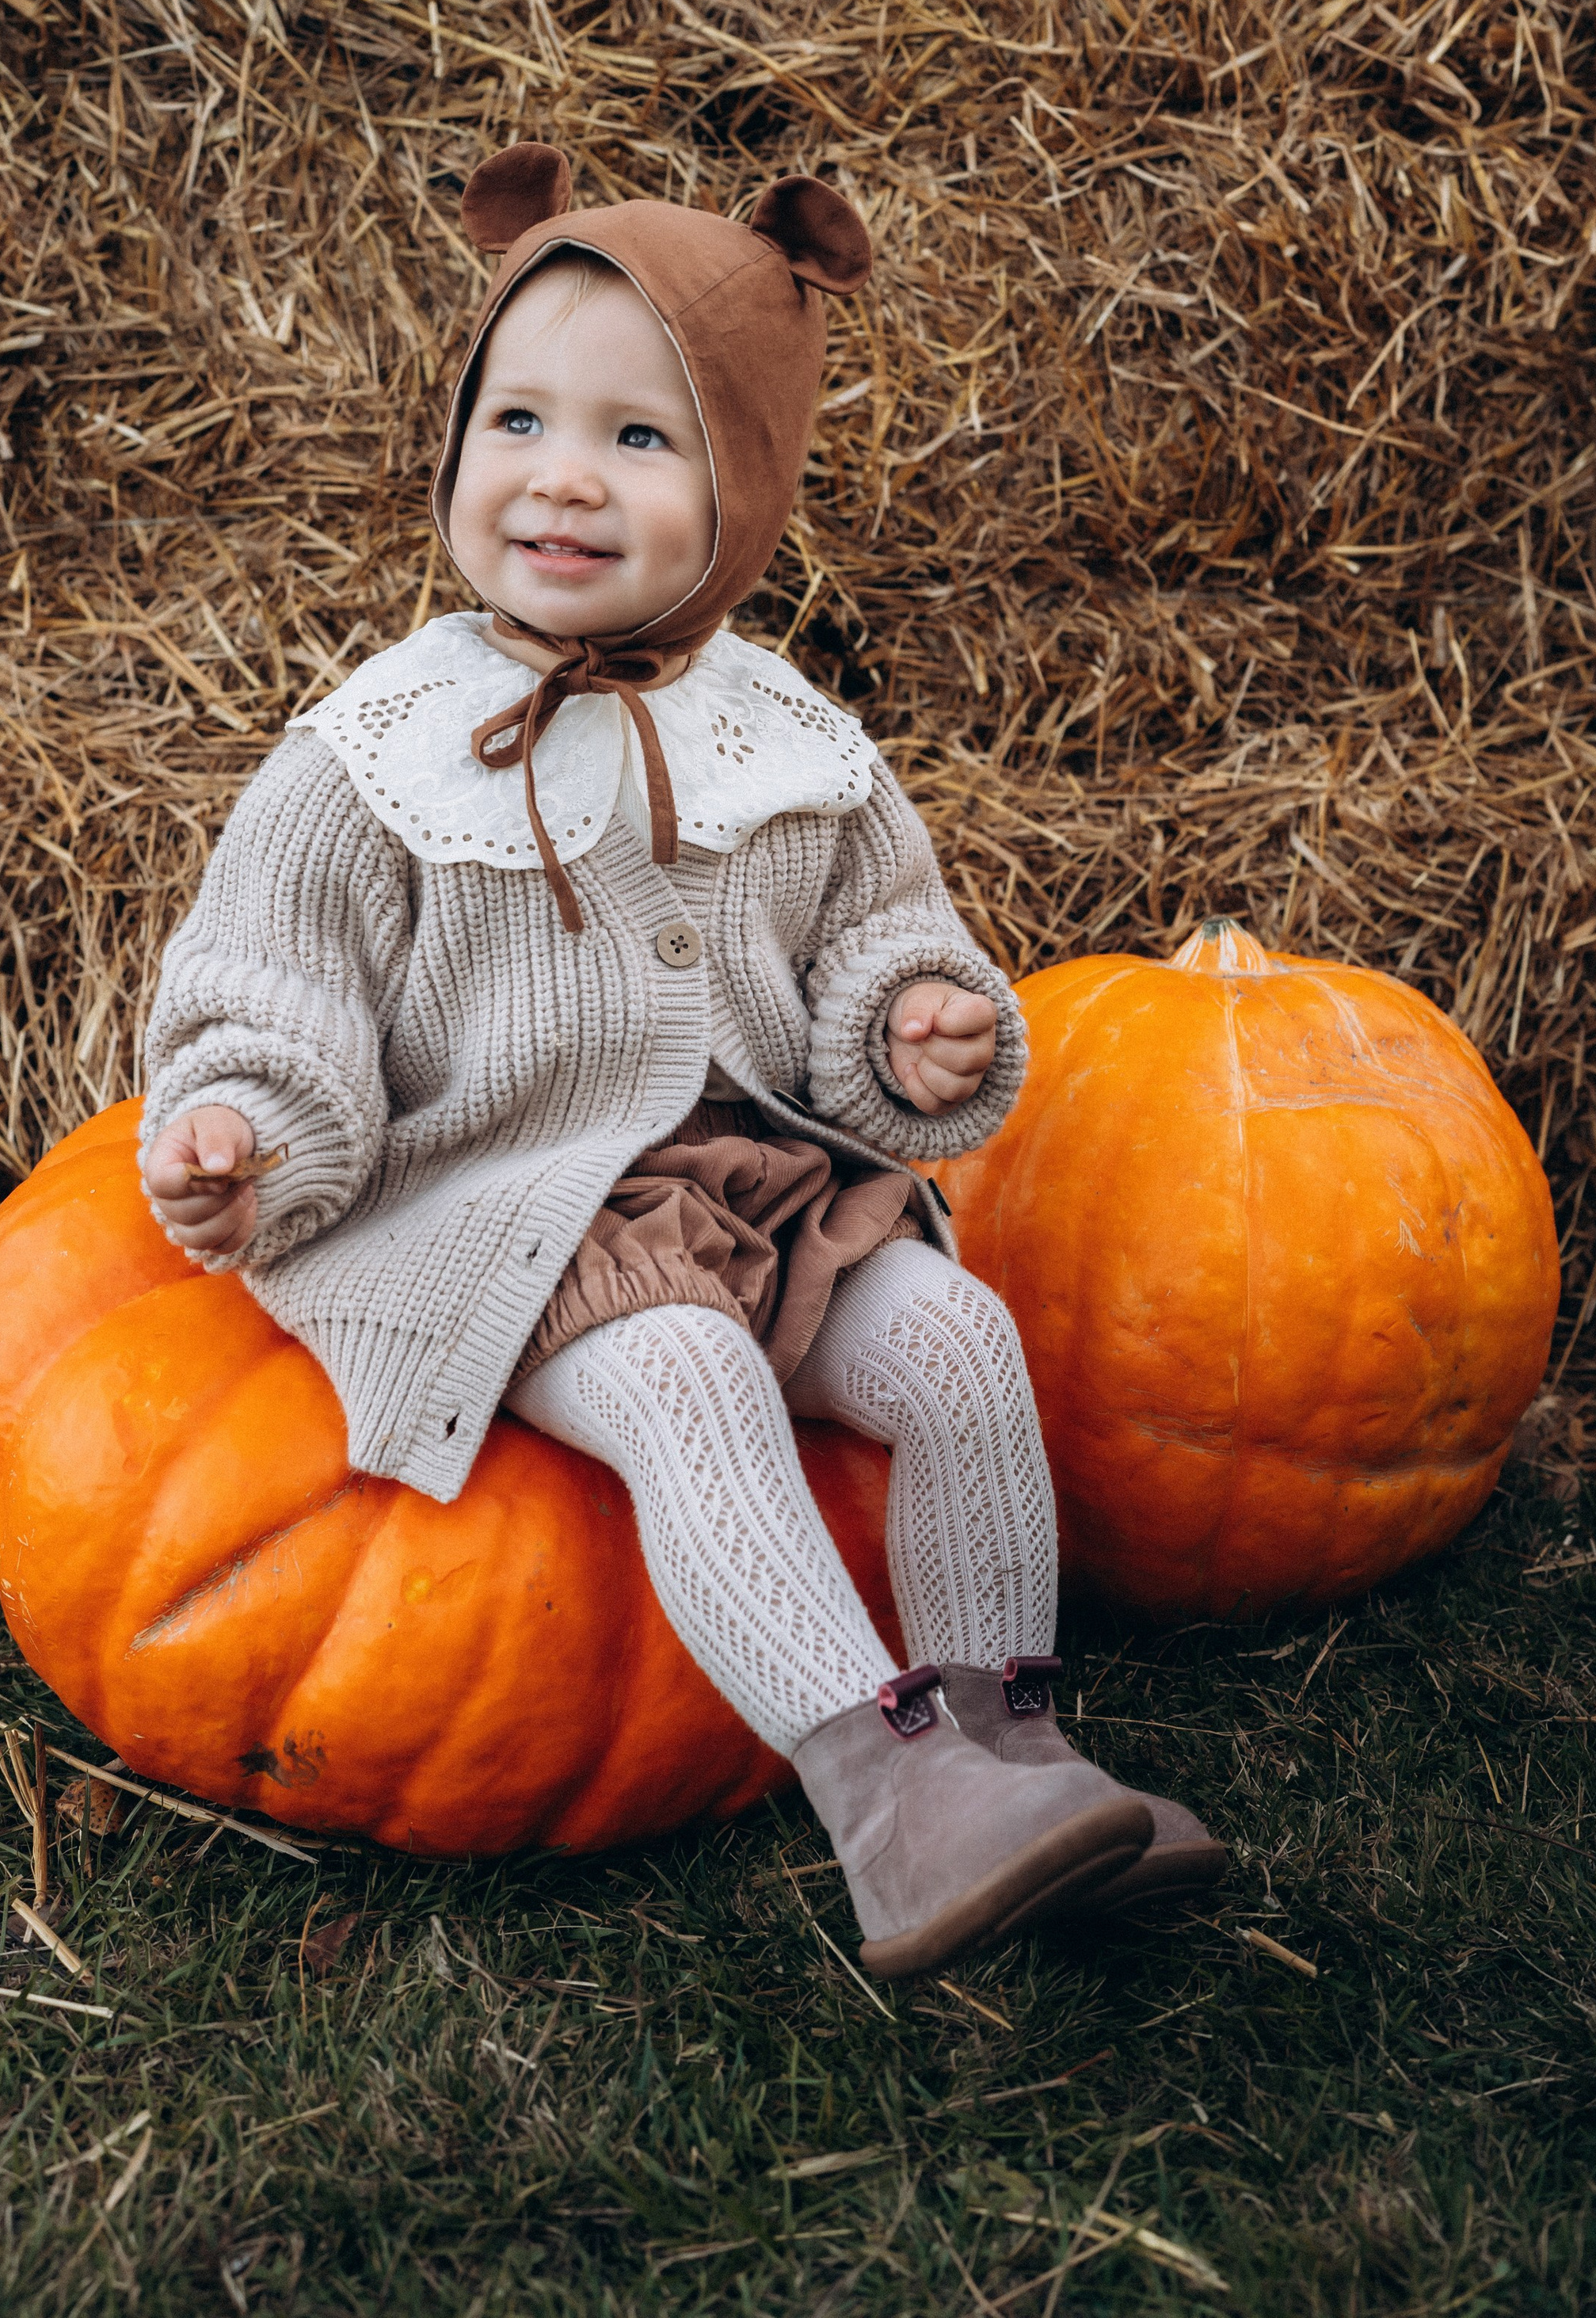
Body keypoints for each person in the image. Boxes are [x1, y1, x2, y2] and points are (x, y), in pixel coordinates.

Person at [139, 143, 1223, 1976]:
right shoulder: (373, 750)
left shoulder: (786, 736)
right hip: (493, 1211)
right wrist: (247, 1123)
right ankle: (882, 1799)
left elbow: (876, 940)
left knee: (958, 1343)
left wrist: (912, 1027)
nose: (562, 476)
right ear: (460, 440)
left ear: (745, 486)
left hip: (742, 1185)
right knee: (684, 1378)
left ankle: (1011, 1745)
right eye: (520, 420)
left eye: (640, 441)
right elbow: (279, 987)